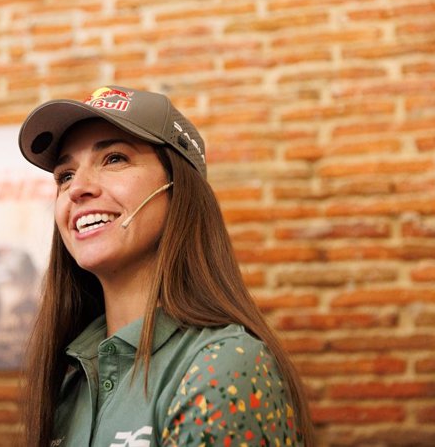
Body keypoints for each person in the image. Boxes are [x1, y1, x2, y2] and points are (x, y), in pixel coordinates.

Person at [18, 85, 314, 446]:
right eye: (65, 175)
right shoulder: (70, 383)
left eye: (114, 158)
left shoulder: (223, 365)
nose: (77, 188)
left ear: (178, 188)